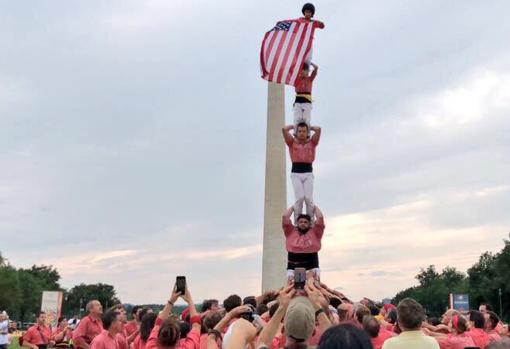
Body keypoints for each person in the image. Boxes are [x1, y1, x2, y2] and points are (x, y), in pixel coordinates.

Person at [282, 122, 321, 218]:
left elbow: (318, 129)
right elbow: (284, 130)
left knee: (308, 198)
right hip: (296, 173)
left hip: (308, 173)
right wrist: (293, 126)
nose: (302, 133)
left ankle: (310, 221)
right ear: (296, 132)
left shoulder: (312, 143)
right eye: (300, 131)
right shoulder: (292, 142)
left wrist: (309, 127)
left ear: (307, 132)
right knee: (299, 198)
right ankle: (297, 221)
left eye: (304, 131)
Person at [145, 284, 200, 349]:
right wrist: (189, 300)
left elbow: (158, 323)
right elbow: (196, 325)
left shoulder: (151, 346)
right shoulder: (188, 347)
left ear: (158, 335)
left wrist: (171, 301)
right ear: (179, 336)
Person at [282, 204, 325, 281]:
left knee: (313, 289)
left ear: (309, 224)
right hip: (293, 269)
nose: (303, 223)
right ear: (297, 223)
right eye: (301, 222)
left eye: (305, 222)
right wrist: (294, 206)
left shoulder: (315, 233)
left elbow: (320, 218)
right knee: (297, 291)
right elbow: (285, 217)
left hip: (312, 268)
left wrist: (312, 205)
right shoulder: (290, 232)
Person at [293, 62, 318, 128]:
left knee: (306, 119)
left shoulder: (310, 79)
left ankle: (307, 134)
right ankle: (296, 133)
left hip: (307, 100)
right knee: (297, 119)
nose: (303, 72)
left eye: (305, 70)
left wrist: (310, 63)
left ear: (307, 72)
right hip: (298, 100)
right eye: (302, 70)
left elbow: (316, 68)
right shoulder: (296, 79)